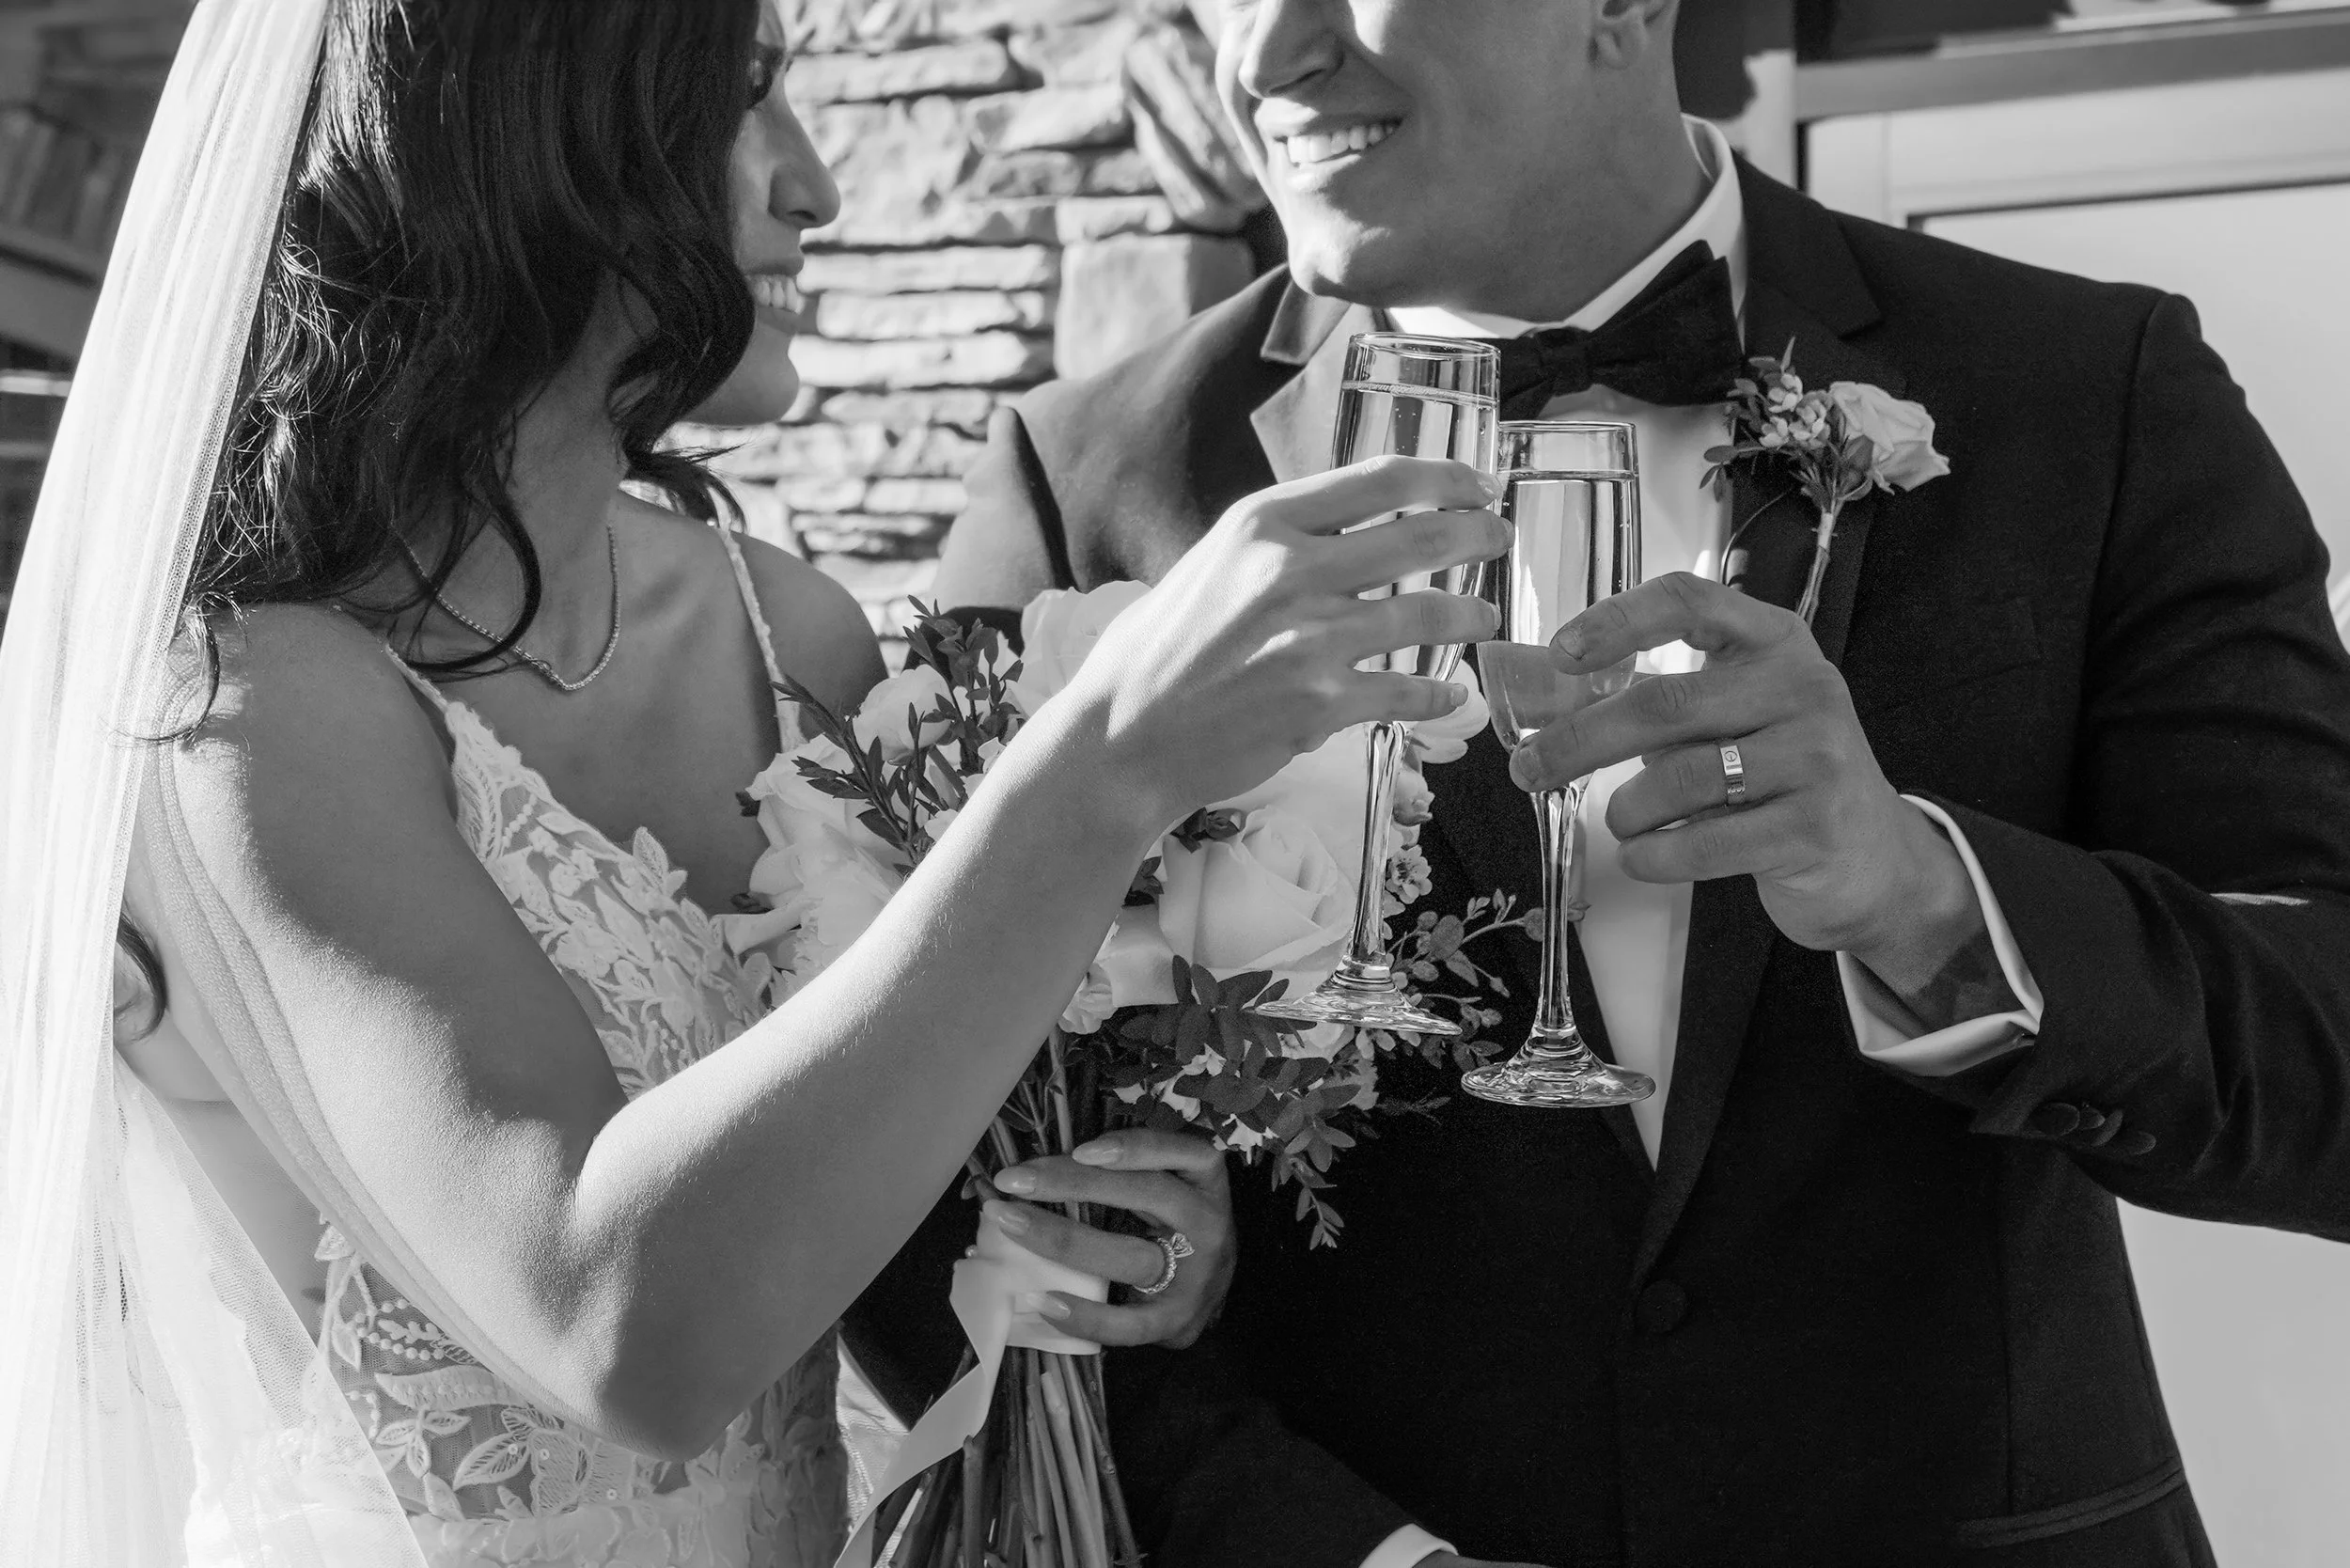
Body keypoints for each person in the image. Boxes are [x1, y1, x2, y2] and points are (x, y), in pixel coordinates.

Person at [0, 3, 1505, 1564]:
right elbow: (617, 1328)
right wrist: (1103, 768)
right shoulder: (243, 711)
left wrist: (1065, 1246)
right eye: (740, 104)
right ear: (524, 143)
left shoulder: (785, 631)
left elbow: (851, 1209)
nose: (814, 188)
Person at [889, 1, 2350, 1564]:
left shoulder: (2088, 387)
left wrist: (1932, 900)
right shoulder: (1090, 489)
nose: (1265, 54)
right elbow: (924, 1226)